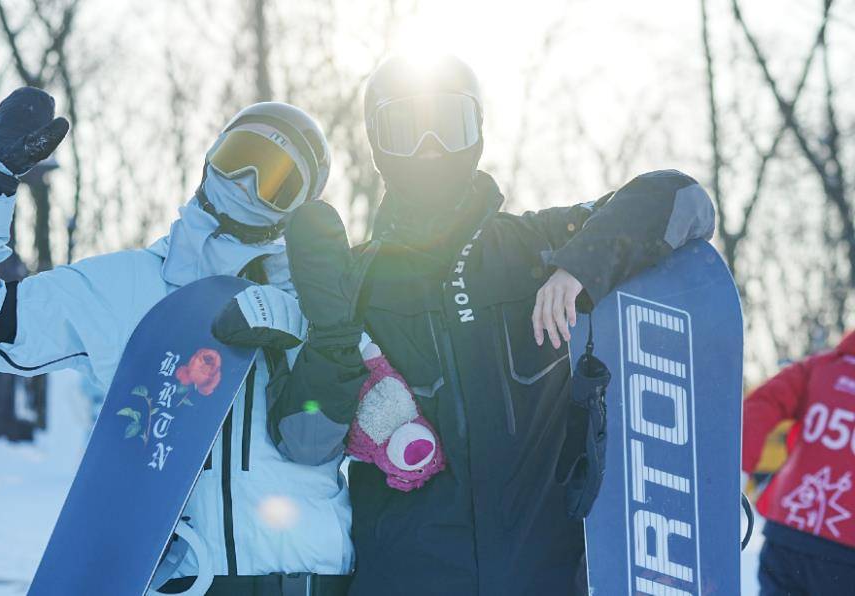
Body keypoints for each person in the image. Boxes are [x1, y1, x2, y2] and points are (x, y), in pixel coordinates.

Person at [269, 55, 717, 595]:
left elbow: (681, 196)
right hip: (408, 580)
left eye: (448, 123)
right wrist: (332, 338)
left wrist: (581, 265)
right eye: (406, 129)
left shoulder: (539, 246)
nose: (429, 146)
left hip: (546, 574)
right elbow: (304, 442)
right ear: (378, 143)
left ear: (477, 132)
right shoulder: (352, 284)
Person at [0, 87, 352, 595]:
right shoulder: (130, 289)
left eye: (276, 182)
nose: (245, 183)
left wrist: (329, 325)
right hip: (192, 580)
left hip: (315, 579)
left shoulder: (321, 306)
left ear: (297, 208)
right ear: (212, 155)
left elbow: (355, 430)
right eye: (240, 158)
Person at [743, 333, 855, 595]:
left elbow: (761, 404)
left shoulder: (821, 367)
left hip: (788, 532)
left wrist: (737, 468)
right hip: (847, 553)